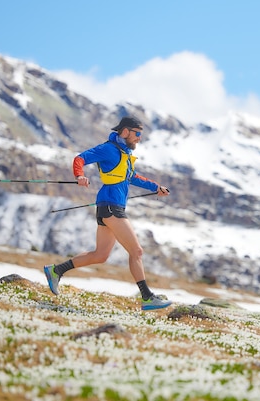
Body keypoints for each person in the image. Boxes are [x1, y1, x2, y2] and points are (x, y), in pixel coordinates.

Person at [44, 116, 172, 310]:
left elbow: (132, 177)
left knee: (100, 255)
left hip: (110, 206)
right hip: (111, 206)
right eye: (137, 134)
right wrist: (79, 175)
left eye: (141, 135)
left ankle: (56, 270)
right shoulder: (108, 149)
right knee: (136, 251)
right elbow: (80, 158)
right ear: (125, 131)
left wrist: (156, 187)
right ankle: (147, 297)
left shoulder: (124, 153)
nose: (139, 138)